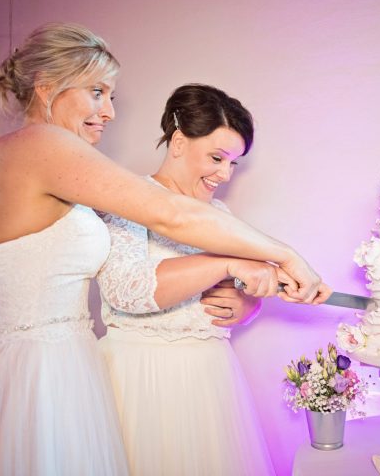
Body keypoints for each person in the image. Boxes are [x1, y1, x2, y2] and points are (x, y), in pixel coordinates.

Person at [0, 23, 330, 475]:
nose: (108, 111)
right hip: (32, 376)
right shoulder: (39, 144)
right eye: (97, 92)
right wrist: (285, 256)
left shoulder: (47, 162)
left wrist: (247, 292)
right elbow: (170, 215)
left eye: (110, 96)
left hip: (66, 367)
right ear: (47, 88)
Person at [97, 84, 286, 475]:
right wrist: (226, 264)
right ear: (179, 142)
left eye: (234, 163)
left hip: (208, 380)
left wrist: (248, 305)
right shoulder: (130, 198)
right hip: (141, 379)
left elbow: (244, 283)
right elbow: (125, 290)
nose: (225, 174)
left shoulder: (221, 214)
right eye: (217, 158)